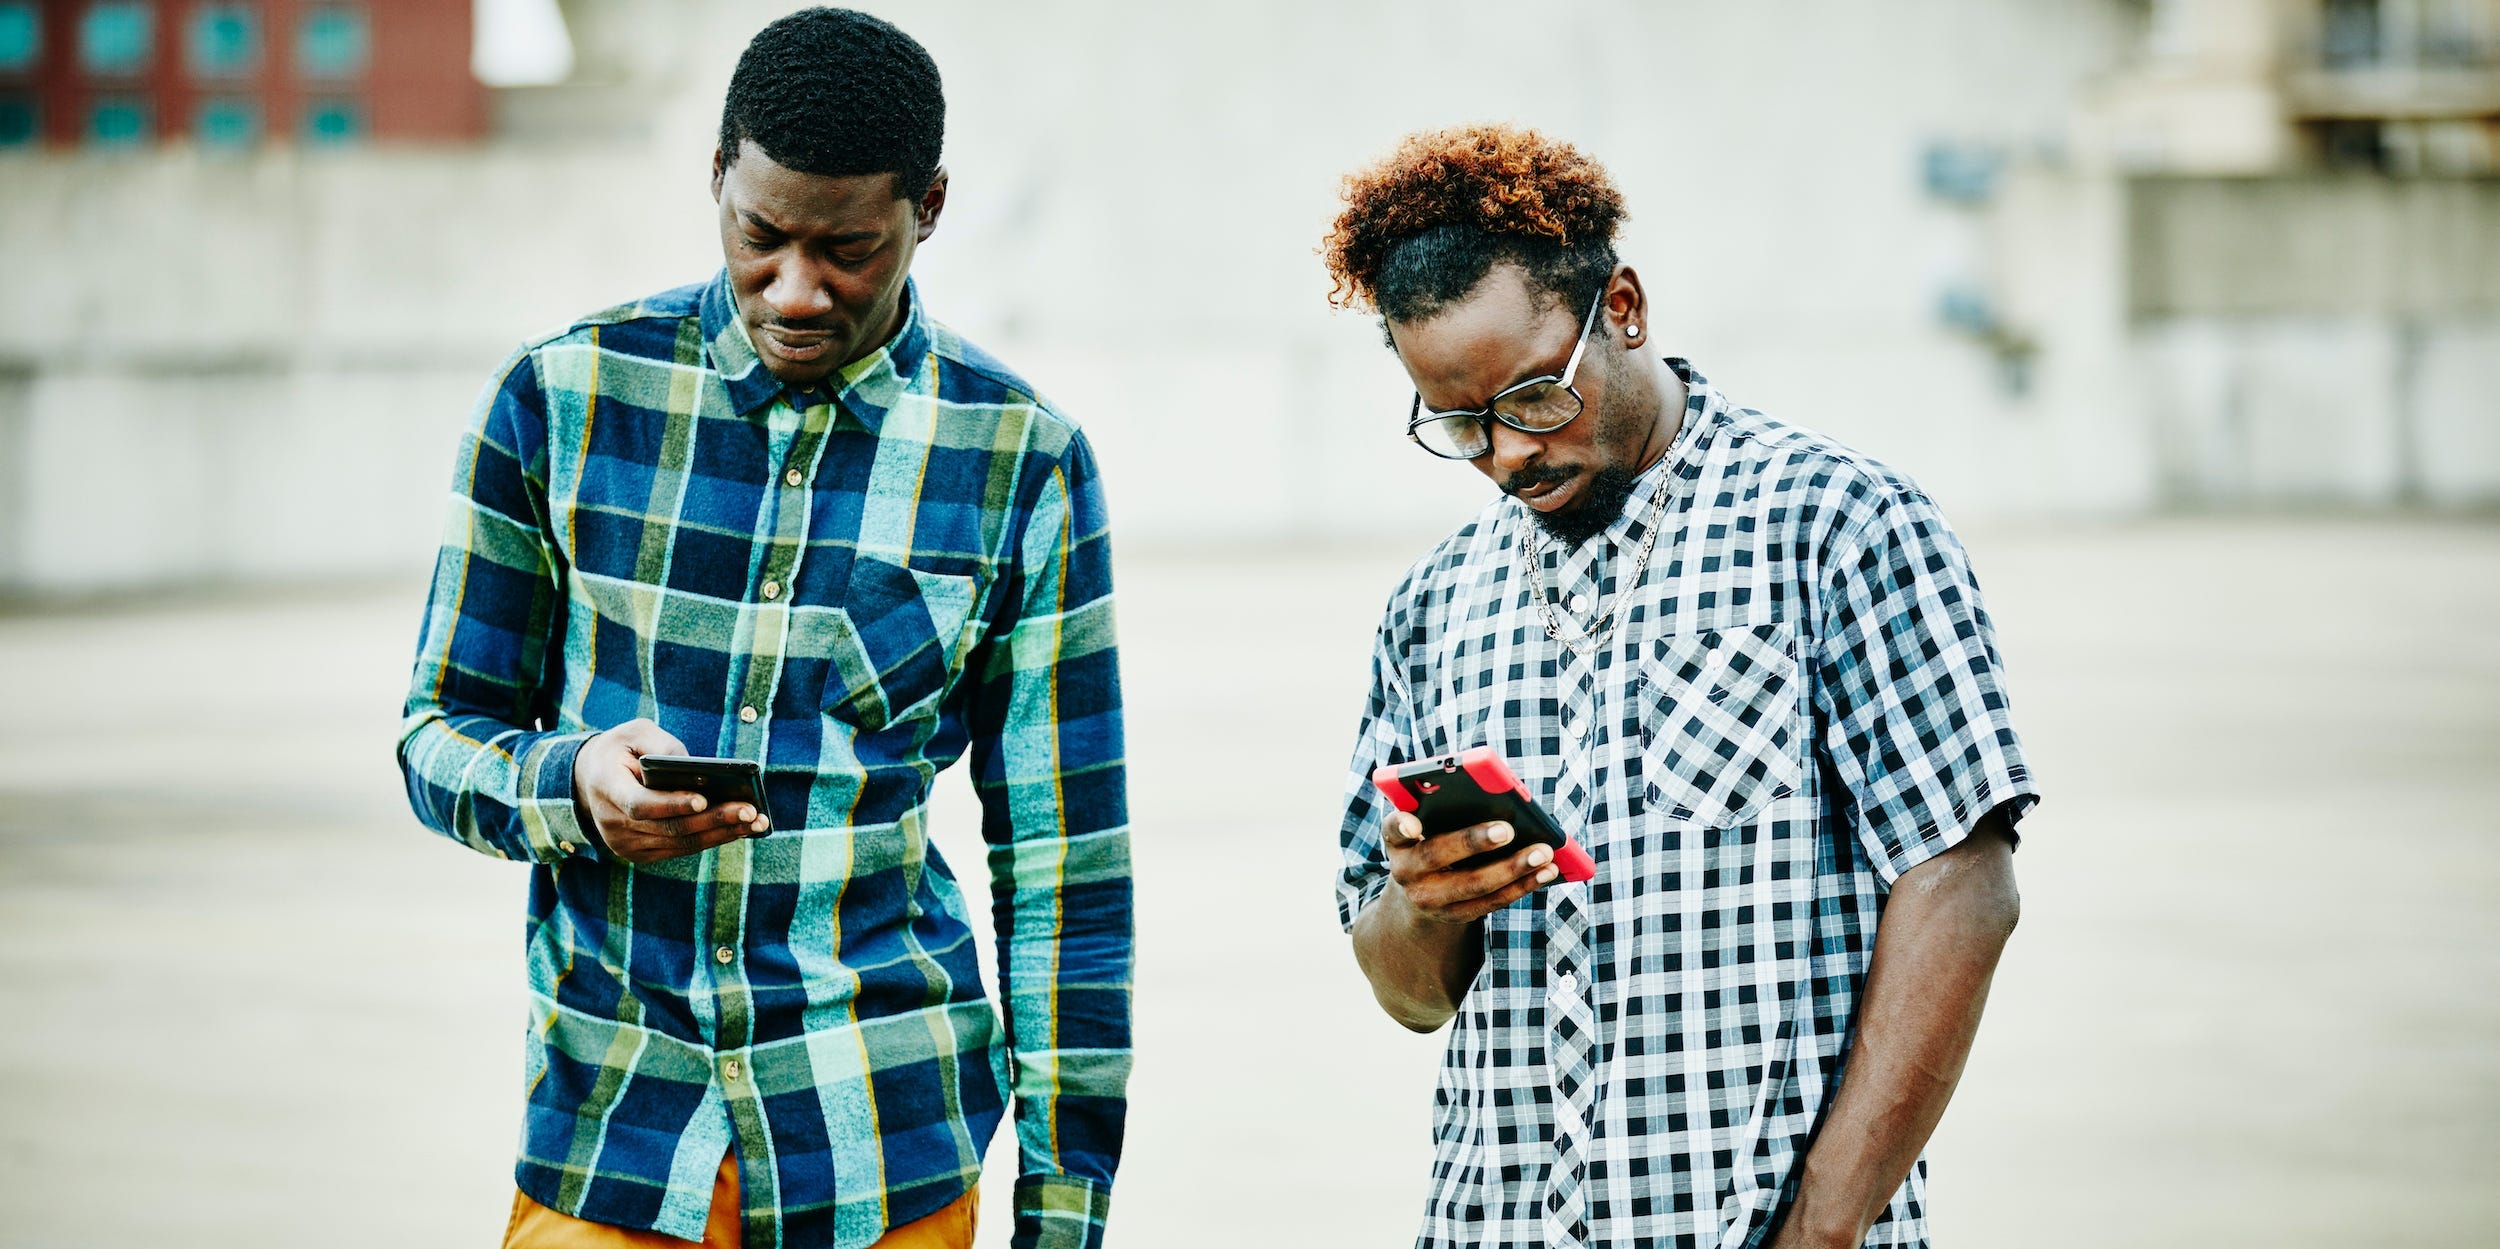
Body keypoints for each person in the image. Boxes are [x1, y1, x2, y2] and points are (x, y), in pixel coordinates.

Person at [396, 10, 1129, 1248]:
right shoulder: (563, 400)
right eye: (761, 238)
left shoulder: (1022, 460)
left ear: (928, 208)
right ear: (718, 183)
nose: (796, 290)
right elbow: (434, 737)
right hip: (616, 1137)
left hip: (887, 1145)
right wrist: (568, 781)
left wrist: (1062, 1214)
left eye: (848, 249)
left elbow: (1067, 869)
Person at [1324, 125, 2037, 1249]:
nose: (1508, 454)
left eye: (1531, 399)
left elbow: (1962, 881)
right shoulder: (1433, 606)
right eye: (1460, 424)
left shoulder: (1835, 523)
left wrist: (1825, 1227)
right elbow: (1404, 991)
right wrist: (1425, 900)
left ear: (1623, 308)